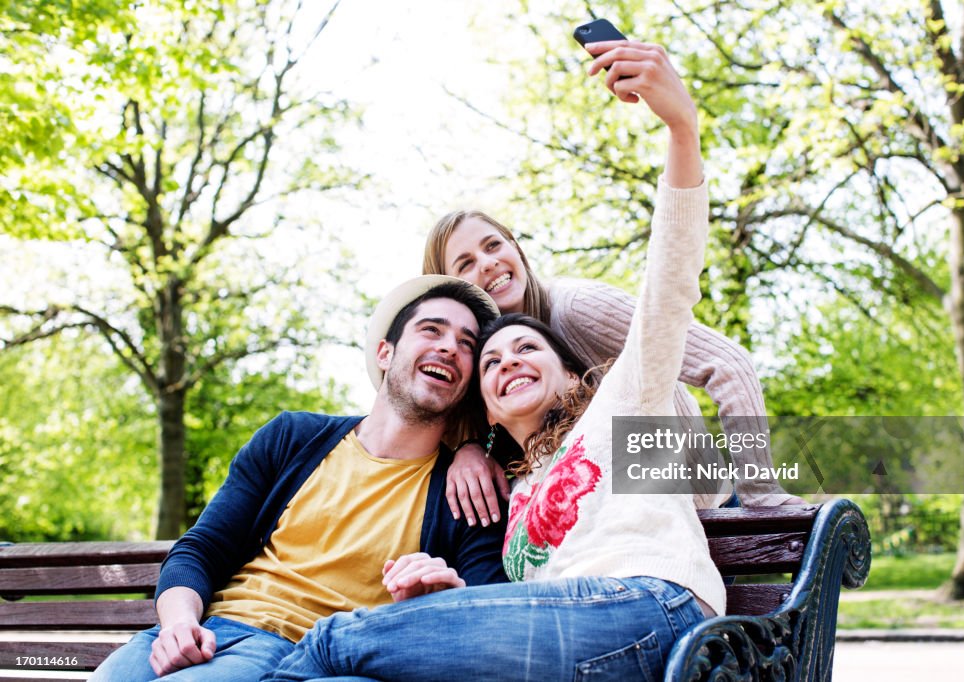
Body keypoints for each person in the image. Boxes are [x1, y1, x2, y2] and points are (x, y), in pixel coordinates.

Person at [265, 39, 728, 682]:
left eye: (528, 347)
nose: (507, 360)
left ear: (572, 374)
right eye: (489, 362)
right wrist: (445, 595)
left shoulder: (624, 402)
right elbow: (527, 617)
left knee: (332, 641)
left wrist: (682, 129)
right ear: (481, 402)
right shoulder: (510, 494)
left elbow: (670, 280)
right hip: (580, 642)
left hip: (653, 608)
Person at [424, 81, 803, 533]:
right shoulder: (486, 366)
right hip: (595, 532)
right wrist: (468, 449)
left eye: (494, 245)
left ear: (516, 248)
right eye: (467, 262)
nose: (488, 264)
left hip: (694, 511)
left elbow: (728, 363)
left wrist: (762, 498)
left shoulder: (578, 309)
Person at [91, 277, 506, 681]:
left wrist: (444, 601)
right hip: (209, 631)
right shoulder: (293, 437)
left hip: (316, 655)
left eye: (467, 344)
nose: (449, 347)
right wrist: (178, 624)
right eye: (431, 329)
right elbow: (201, 549)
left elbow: (487, 619)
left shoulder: (469, 493)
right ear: (385, 353)